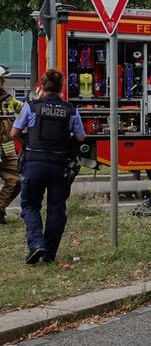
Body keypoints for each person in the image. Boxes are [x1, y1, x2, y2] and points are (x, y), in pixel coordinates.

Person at [11, 68, 86, 264]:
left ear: (42, 86)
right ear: (61, 88)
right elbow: (80, 137)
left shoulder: (31, 107)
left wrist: (28, 142)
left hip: (33, 163)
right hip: (59, 166)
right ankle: (49, 254)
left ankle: (36, 244)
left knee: (30, 205)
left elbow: (14, 133)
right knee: (56, 209)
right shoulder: (71, 110)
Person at [0, 65, 24, 224]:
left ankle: (0, 208)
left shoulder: (7, 99)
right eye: (1, 78)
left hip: (6, 150)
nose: (4, 81)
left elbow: (24, 109)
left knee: (18, 179)